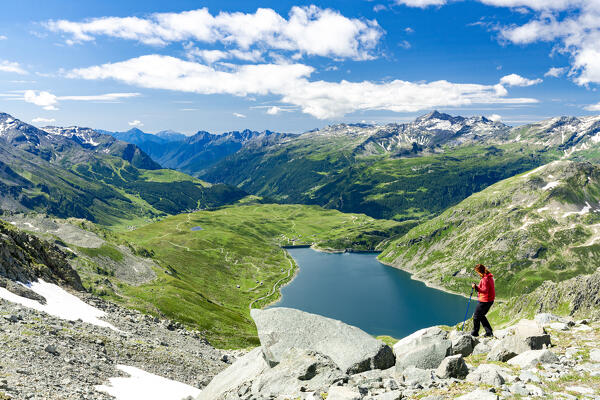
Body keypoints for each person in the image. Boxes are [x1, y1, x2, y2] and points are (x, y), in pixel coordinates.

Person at [470, 264, 495, 337]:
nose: (477, 273)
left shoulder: (485, 279)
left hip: (485, 301)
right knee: (481, 316)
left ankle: (475, 333)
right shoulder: (489, 276)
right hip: (490, 300)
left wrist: (475, 287)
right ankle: (489, 332)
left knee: (476, 316)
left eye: (477, 272)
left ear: (479, 271)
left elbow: (484, 290)